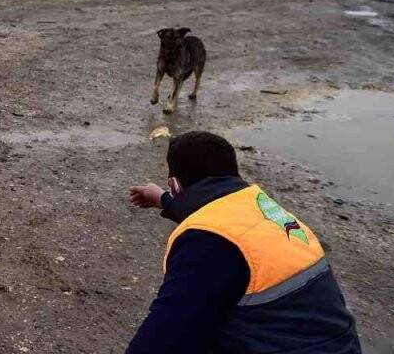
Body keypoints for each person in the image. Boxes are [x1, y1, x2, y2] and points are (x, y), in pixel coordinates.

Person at [126, 131, 360, 353]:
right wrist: (165, 200)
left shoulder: (207, 243)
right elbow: (221, 216)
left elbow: (161, 339)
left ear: (175, 184)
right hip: (340, 344)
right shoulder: (263, 208)